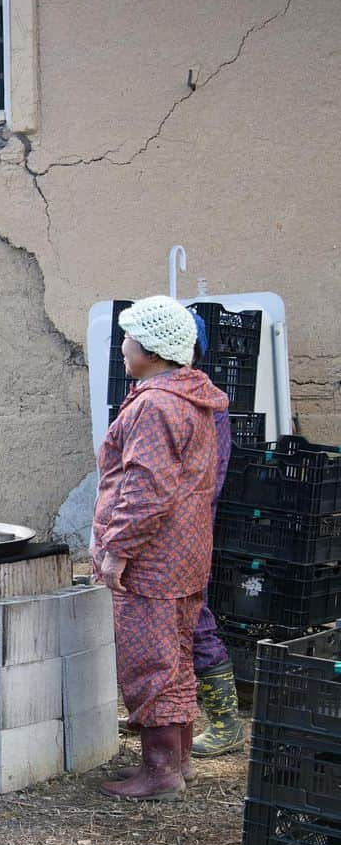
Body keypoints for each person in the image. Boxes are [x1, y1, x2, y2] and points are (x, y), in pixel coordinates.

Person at [93, 294, 229, 801]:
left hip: (153, 561)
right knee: (176, 655)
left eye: (128, 337)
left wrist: (117, 549)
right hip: (187, 553)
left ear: (150, 347)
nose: (122, 345)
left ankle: (159, 773)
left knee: (149, 661)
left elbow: (145, 489)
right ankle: (181, 762)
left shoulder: (154, 404)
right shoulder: (193, 398)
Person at [187, 312, 244, 757]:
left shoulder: (204, 404)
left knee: (195, 618)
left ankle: (226, 722)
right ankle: (173, 710)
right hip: (177, 528)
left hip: (186, 530)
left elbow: (207, 479)